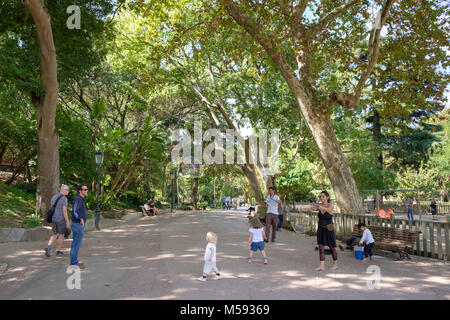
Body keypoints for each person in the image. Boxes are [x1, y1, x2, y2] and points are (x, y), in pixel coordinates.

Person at [297, 190, 337, 271]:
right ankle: (322, 266)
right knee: (321, 246)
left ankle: (335, 264)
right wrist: (302, 209)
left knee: (332, 247)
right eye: (320, 197)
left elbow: (328, 210)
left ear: (327, 197)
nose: (321, 198)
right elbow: (310, 208)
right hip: (321, 228)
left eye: (323, 196)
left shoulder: (331, 205)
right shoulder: (319, 206)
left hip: (329, 229)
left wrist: (320, 206)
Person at [44, 185, 71, 257]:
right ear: (62, 190)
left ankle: (48, 246)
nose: (68, 191)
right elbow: (64, 211)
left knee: (55, 234)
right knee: (61, 235)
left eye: (68, 189)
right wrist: (67, 221)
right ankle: (58, 251)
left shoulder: (54, 197)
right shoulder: (64, 198)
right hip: (60, 219)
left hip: (54, 218)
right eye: (67, 189)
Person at [69, 184, 88, 269]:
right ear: (80, 191)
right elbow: (75, 211)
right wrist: (81, 219)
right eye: (85, 189)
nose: (87, 191)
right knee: (76, 244)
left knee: (76, 244)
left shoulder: (80, 199)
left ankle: (74, 262)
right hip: (78, 224)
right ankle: (74, 263)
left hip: (78, 224)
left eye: (87, 189)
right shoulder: (78, 199)